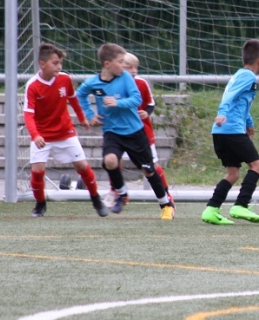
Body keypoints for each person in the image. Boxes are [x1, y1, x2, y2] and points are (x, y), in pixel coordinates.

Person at [76, 42, 175, 220]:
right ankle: (122, 194)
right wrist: (90, 115)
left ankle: (165, 204)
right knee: (110, 160)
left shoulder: (126, 78)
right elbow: (80, 94)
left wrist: (117, 103)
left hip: (134, 131)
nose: (124, 66)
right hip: (112, 132)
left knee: (148, 170)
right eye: (120, 62)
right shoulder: (94, 82)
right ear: (107, 64)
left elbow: (137, 99)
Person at [23, 42, 108, 217]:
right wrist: (35, 135)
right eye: (55, 63)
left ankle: (96, 200)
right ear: (42, 64)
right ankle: (40, 204)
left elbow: (73, 99)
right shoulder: (32, 86)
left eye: (60, 63)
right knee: (37, 171)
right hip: (42, 136)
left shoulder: (65, 79)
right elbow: (28, 115)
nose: (59, 66)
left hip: (65, 132)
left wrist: (82, 118)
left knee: (82, 166)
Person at [202, 39, 259, 226]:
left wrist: (249, 122)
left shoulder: (239, 75)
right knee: (258, 166)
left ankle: (211, 209)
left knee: (233, 173)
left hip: (220, 131)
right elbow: (230, 98)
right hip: (231, 130)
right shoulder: (249, 77)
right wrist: (222, 113)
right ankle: (241, 205)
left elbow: (241, 103)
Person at [122, 52, 173, 203]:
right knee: (113, 161)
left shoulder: (142, 83)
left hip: (142, 132)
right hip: (121, 132)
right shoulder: (113, 85)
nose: (133, 71)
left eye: (136, 67)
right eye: (129, 67)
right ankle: (118, 192)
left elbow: (150, 104)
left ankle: (166, 194)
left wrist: (146, 112)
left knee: (151, 166)